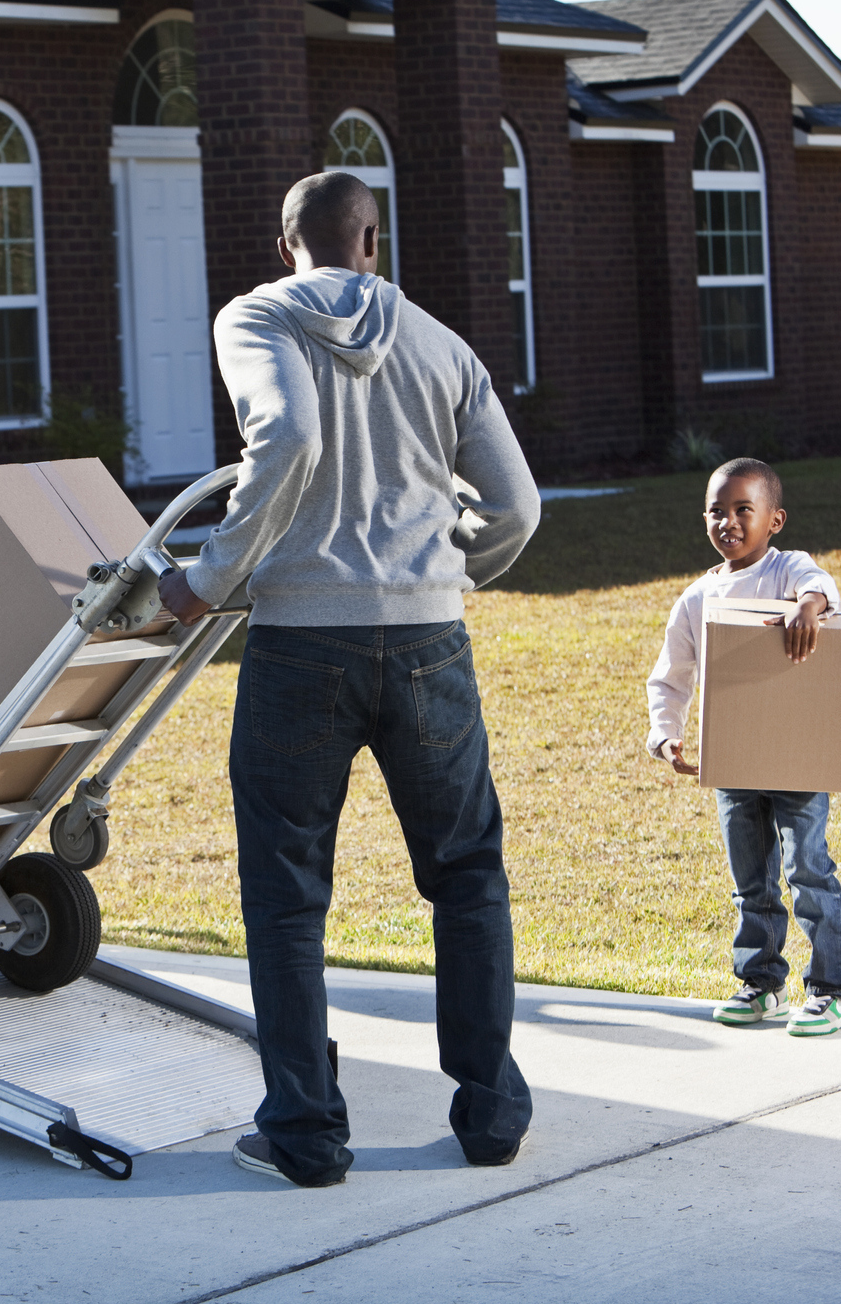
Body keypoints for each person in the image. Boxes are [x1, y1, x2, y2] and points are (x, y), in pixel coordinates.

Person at [157, 172, 542, 1187]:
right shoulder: (444, 345)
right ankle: (492, 1112)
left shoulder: (255, 319)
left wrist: (206, 580)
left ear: (289, 245)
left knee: (286, 894)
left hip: (300, 648)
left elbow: (285, 438)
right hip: (430, 644)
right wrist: (447, 571)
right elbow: (516, 508)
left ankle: (306, 1132)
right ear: (371, 236)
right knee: (466, 875)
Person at [645, 457, 841, 1036]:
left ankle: (835, 988)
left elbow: (821, 586)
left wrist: (807, 608)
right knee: (752, 881)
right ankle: (761, 983)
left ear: (775, 519)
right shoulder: (696, 599)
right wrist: (666, 736)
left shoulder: (787, 572)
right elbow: (671, 676)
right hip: (734, 762)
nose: (729, 521)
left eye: (745, 510)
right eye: (718, 510)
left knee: (807, 871)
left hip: (796, 757)